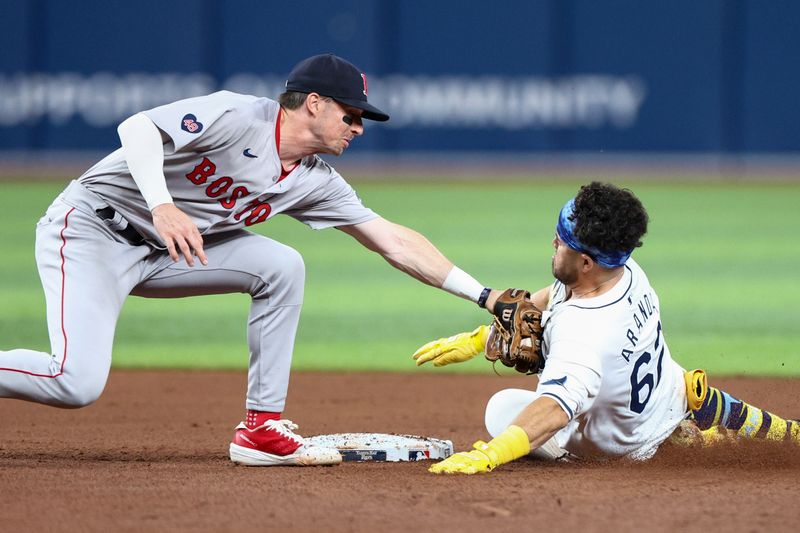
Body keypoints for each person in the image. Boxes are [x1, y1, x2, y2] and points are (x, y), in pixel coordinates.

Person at [0, 54, 506, 467]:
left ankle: (260, 429)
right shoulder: (238, 115)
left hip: (169, 252)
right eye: (351, 115)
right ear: (314, 103)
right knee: (75, 382)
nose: (359, 127)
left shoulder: (314, 178)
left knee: (282, 266)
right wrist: (162, 205)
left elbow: (391, 239)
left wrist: (483, 296)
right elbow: (137, 128)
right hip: (92, 229)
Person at [413, 182, 799, 474]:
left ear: (585, 263)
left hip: (637, 445)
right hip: (675, 394)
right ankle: (750, 420)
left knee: (501, 411)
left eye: (561, 241)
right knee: (787, 434)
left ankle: (692, 444)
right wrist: (482, 337)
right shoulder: (625, 269)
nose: (553, 242)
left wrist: (490, 455)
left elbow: (553, 409)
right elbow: (552, 297)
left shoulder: (583, 336)